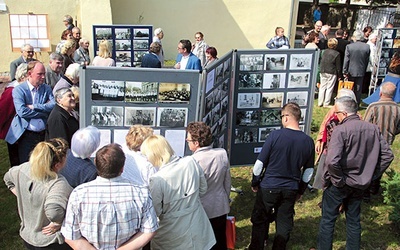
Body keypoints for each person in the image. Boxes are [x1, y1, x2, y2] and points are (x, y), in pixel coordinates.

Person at [318, 96, 393, 250]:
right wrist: (371, 175)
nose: (336, 117)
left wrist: (338, 179)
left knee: (328, 220)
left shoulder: (340, 130)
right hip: (360, 183)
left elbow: (332, 161)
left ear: (344, 114)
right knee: (353, 220)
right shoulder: (372, 128)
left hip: (340, 183)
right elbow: (388, 155)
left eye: (337, 113)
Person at [61, 143, 158, 249]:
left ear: (96, 163)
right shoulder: (141, 193)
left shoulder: (78, 194)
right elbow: (149, 230)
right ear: (122, 168)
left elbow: (71, 236)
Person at [248, 103, 315, 249]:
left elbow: (259, 164)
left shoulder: (274, 136)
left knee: (260, 220)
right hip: (290, 188)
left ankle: (258, 246)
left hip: (268, 186)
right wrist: (300, 191)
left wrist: (255, 182)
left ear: (286, 117)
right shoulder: (308, 141)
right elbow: (308, 172)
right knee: (284, 222)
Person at [141, 135, 216, 249]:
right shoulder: (191, 161)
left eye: (146, 155)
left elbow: (156, 212)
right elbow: (203, 189)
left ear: (154, 154)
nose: (146, 158)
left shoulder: (157, 180)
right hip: (197, 225)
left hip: (172, 234)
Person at [3, 138, 73, 249]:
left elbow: (8, 178)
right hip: (49, 241)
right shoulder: (58, 183)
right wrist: (57, 222)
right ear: (58, 164)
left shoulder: (22, 169)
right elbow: (54, 211)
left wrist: (21, 195)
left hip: (27, 236)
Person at [187, 122, 231, 250]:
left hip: (201, 209)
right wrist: (226, 198)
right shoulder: (222, 153)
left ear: (196, 143)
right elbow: (227, 182)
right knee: (220, 240)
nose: (187, 142)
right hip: (220, 205)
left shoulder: (192, 161)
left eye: (188, 140)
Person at [5, 61, 55, 164]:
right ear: (29, 74)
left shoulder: (46, 88)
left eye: (44, 74)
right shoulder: (19, 90)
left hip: (43, 134)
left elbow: (53, 105)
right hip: (26, 135)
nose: (43, 77)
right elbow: (22, 112)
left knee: (43, 163)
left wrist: (34, 107)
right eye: (39, 74)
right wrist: (44, 111)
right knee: (27, 164)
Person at [313, 88, 357, 190]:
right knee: (324, 168)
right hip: (328, 147)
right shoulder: (333, 110)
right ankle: (321, 185)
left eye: (337, 98)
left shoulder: (354, 115)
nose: (336, 100)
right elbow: (324, 124)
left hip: (343, 151)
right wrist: (319, 140)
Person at [364, 82, 400, 195]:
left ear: (380, 93)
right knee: (380, 164)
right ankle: (374, 187)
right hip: (387, 141)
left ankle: (366, 190)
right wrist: (392, 132)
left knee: (368, 164)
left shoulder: (373, 107)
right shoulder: (398, 109)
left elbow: (365, 125)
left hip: (371, 142)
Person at [0, 63, 28, 167]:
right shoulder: (11, 91)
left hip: (25, 132)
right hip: (15, 132)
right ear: (24, 76)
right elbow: (2, 112)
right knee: (17, 162)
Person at [343, 30, 370, 104]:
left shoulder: (349, 46)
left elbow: (346, 60)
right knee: (358, 88)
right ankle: (357, 103)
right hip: (361, 69)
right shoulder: (367, 47)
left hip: (350, 70)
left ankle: (349, 102)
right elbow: (367, 60)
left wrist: (344, 70)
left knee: (349, 88)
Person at [318, 38, 342, 107]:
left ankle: (320, 102)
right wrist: (339, 75)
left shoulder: (324, 51)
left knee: (322, 87)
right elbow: (338, 66)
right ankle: (326, 103)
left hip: (323, 70)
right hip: (332, 71)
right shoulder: (337, 54)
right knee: (329, 88)